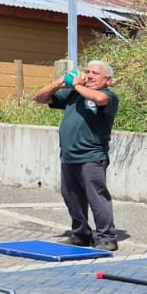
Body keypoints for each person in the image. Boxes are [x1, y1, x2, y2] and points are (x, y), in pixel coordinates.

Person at [33, 59, 120, 251]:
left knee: (97, 197)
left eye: (95, 73)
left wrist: (78, 85)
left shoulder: (108, 95)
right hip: (68, 156)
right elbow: (39, 98)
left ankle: (107, 237)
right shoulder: (74, 94)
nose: (89, 75)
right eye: (87, 71)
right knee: (71, 196)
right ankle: (81, 234)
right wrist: (59, 83)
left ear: (108, 80)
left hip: (91, 156)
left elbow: (99, 100)